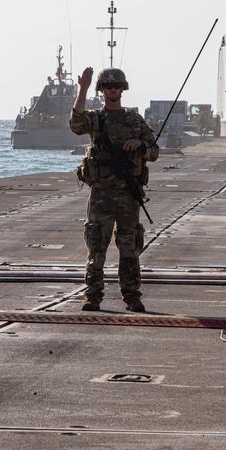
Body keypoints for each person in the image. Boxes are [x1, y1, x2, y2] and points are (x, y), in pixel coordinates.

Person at [70, 67, 159, 313]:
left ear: (123, 89)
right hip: (100, 195)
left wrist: (140, 144)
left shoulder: (134, 120)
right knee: (97, 246)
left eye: (116, 86)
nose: (112, 90)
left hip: (128, 197)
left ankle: (131, 297)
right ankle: (93, 297)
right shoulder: (96, 119)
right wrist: (83, 88)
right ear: (102, 90)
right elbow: (76, 124)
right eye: (108, 86)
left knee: (129, 248)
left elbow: (154, 152)